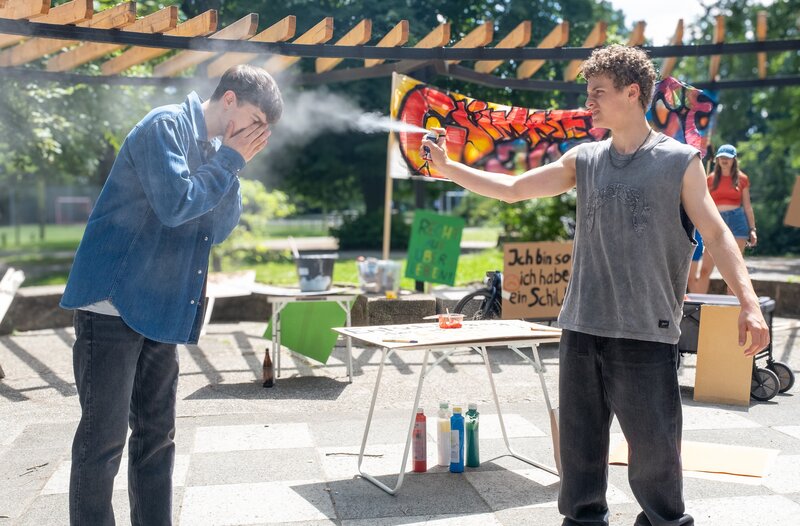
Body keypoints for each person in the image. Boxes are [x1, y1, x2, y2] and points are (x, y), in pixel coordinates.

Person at [421, 44, 769, 526]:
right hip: (582, 329)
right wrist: (448, 169)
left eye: (599, 92)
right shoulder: (584, 159)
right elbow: (514, 190)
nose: (589, 101)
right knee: (580, 458)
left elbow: (716, 233)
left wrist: (749, 303)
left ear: (632, 93)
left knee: (656, 463)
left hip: (646, 333)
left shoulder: (680, 162)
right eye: (588, 92)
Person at [60, 64, 282, 525]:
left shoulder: (216, 152)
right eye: (255, 121)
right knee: (103, 441)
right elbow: (177, 204)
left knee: (156, 437)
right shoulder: (164, 127)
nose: (256, 136)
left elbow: (218, 228)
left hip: (160, 307)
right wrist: (229, 161)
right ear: (229, 100)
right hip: (112, 304)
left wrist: (231, 164)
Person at [696, 144, 757, 293]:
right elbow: (703, 205)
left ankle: (732, 305)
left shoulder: (742, 179)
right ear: (717, 159)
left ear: (734, 159)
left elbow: (747, 206)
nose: (724, 160)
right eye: (721, 157)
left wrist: (752, 229)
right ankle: (699, 305)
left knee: (735, 271)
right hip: (716, 221)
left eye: (727, 157)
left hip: (737, 222)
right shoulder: (709, 179)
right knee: (704, 269)